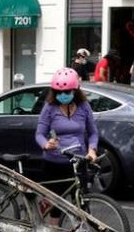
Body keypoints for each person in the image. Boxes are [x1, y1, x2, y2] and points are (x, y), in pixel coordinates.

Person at [34, 67, 99, 196]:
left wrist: (92, 150)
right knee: (55, 210)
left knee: (81, 206)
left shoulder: (84, 106)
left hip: (78, 163)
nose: (63, 95)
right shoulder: (50, 107)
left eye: (67, 92)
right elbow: (39, 134)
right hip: (54, 164)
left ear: (75, 90)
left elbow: (93, 133)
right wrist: (46, 145)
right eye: (58, 92)